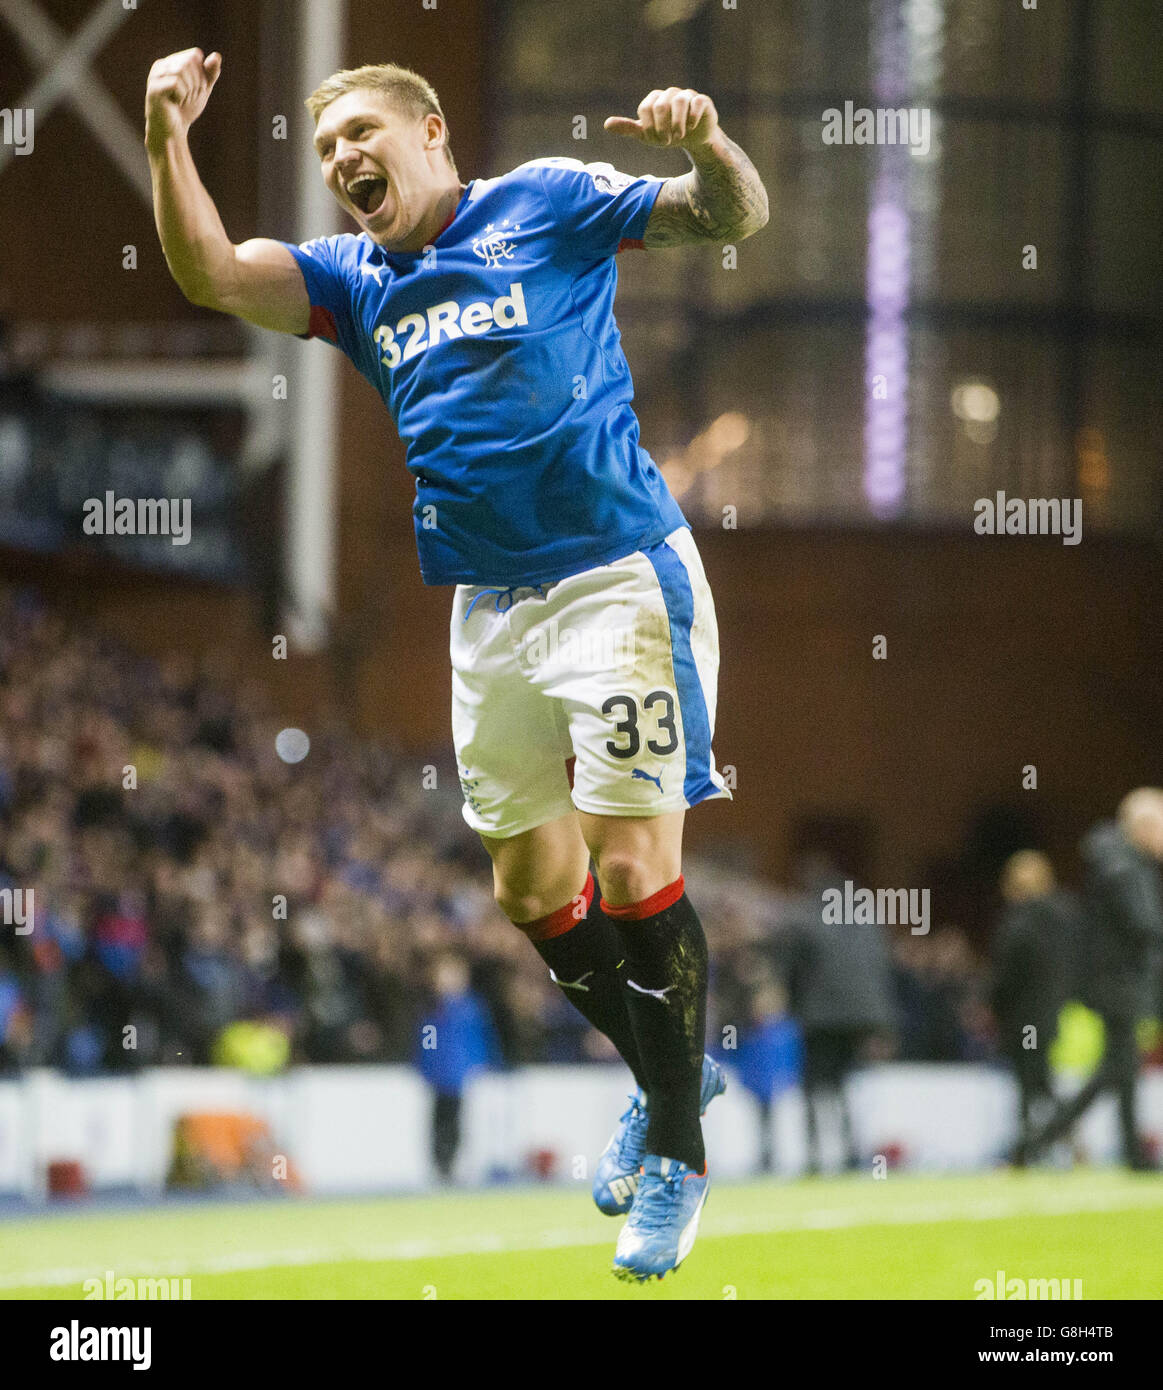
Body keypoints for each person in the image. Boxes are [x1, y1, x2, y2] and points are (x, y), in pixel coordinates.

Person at [144, 49, 768, 1280]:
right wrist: (167, 136)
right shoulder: (354, 277)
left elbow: (728, 213)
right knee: (532, 893)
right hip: (488, 610)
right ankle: (667, 1068)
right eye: (326, 153)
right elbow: (211, 271)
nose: (340, 164)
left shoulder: (541, 199)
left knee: (631, 860)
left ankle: (679, 1154)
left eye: (359, 134)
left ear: (429, 131)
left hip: (614, 577)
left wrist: (703, 145)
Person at [1018, 789, 1163, 1170]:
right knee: (1117, 1067)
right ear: (1145, 825)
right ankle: (1042, 1139)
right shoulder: (1124, 867)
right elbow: (1144, 925)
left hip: (1115, 980)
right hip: (1119, 981)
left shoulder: (1117, 861)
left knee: (1120, 1067)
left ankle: (1049, 1140)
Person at [989, 850, 1082, 1159]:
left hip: (1023, 1018)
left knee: (1029, 1081)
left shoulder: (1019, 921)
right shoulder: (1064, 918)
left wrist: (993, 1004)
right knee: (1040, 1078)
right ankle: (1059, 1137)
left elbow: (1006, 975)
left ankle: (1029, 1148)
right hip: (1050, 1012)